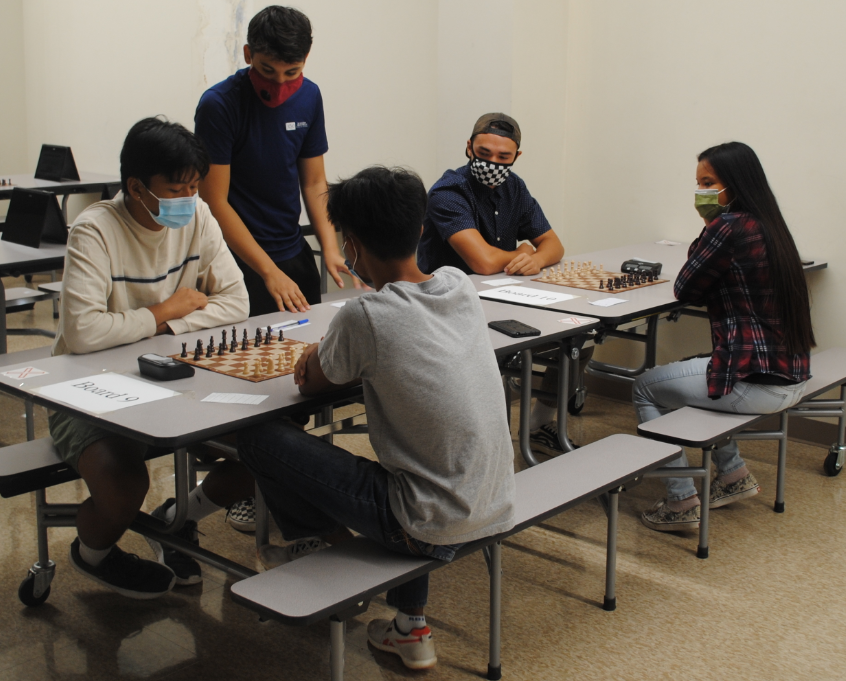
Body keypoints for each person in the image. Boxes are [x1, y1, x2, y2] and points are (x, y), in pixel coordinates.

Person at [237, 166, 516, 670]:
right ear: (422, 229)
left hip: (426, 520)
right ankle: (411, 629)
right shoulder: (458, 284)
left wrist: (326, 352)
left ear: (352, 245)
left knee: (259, 438)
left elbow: (313, 379)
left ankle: (318, 548)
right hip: (494, 497)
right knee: (418, 468)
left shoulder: (365, 315)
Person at [52, 117, 256, 597]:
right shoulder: (95, 229)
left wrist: (160, 325)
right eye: (176, 188)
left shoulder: (199, 215)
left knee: (267, 450)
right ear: (136, 187)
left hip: (177, 378)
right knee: (124, 483)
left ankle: (179, 518)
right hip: (88, 390)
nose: (188, 198)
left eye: (193, 186)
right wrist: (166, 310)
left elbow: (236, 303)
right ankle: (95, 554)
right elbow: (82, 333)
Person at [633, 142, 814, 531]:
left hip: (759, 383)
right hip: (792, 374)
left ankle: (680, 501)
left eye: (709, 182)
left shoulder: (729, 226)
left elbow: (685, 285)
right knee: (688, 372)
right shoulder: (770, 224)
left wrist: (709, 226)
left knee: (647, 387)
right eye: (698, 183)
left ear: (734, 183)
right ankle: (732, 474)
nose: (702, 192)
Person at [418, 113, 584, 456]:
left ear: (516, 157)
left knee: (579, 336)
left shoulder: (515, 188)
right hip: (448, 303)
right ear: (468, 147)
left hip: (500, 298)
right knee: (495, 358)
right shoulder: (448, 191)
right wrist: (521, 250)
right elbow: (481, 261)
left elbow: (554, 245)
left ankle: (539, 422)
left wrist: (536, 258)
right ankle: (488, 446)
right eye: (484, 152)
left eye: (503, 157)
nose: (492, 162)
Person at [195, 5, 354, 318]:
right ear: (247, 54)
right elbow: (214, 201)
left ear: (305, 60)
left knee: (306, 350)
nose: (280, 84)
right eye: (268, 71)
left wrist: (331, 248)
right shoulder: (219, 105)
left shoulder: (309, 97)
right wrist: (268, 271)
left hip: (292, 251)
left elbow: (313, 181)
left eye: (291, 73)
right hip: (236, 258)